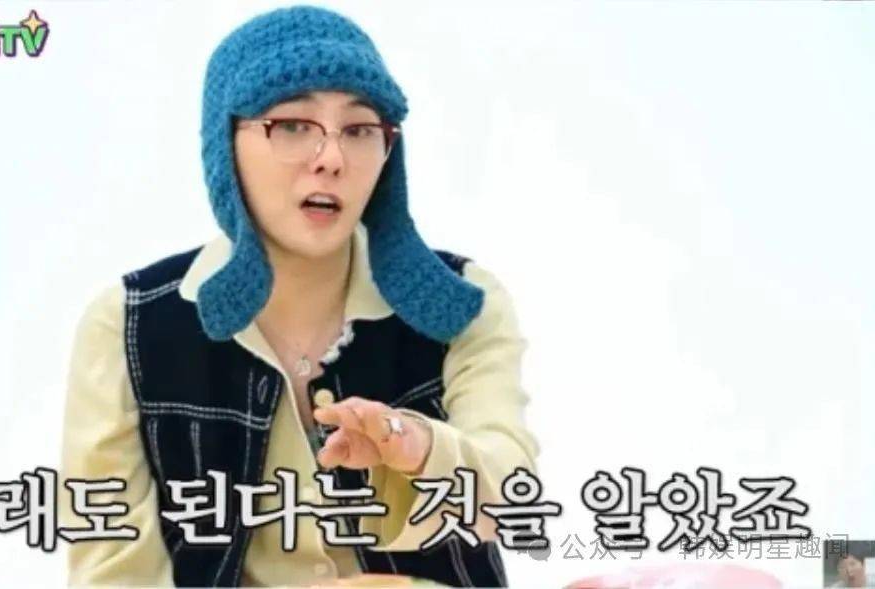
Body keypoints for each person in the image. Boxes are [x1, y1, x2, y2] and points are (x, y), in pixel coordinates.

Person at [59, 5, 540, 587]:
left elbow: (512, 495)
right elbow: (113, 571)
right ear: (225, 145)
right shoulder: (127, 326)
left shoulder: (459, 301)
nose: (332, 159)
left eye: (359, 129)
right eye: (291, 125)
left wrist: (415, 446)